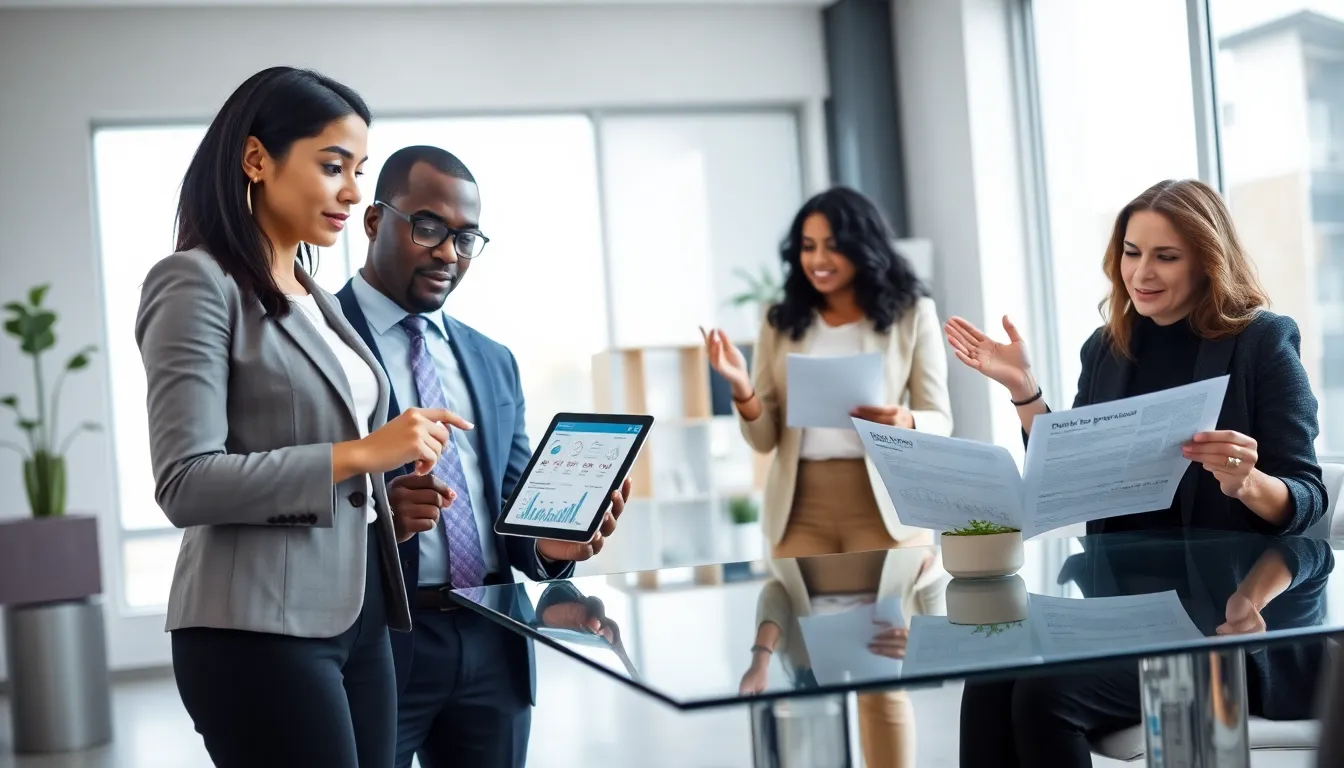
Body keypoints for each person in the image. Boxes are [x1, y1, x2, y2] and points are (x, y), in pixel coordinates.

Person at [135, 68, 466, 768]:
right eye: (332, 166)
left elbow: (324, 450)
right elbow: (186, 482)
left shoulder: (319, 298)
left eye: (360, 170)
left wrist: (385, 499)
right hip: (255, 628)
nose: (353, 190)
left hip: (362, 615)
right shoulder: (195, 281)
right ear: (257, 160)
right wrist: (362, 456)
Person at [946, 178, 1328, 766]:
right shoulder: (1107, 348)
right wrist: (1026, 392)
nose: (1141, 272)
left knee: (1047, 696)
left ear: (1207, 261)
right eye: (1131, 252)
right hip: (1122, 610)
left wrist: (1245, 482)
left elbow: (1307, 497)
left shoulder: (1262, 342)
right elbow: (1069, 479)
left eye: (1165, 256)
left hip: (1227, 631)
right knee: (993, 675)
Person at [335, 145, 629, 768]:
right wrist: (379, 515)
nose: (448, 253)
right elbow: (290, 484)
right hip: (375, 644)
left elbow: (512, 512)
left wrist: (553, 546)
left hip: (495, 641)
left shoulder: (493, 360)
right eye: (429, 227)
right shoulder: (318, 339)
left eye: (466, 238)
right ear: (372, 221)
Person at [703, 186, 954, 561]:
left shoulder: (912, 314)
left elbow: (941, 418)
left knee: (894, 620)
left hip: (887, 505)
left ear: (862, 248)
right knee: (798, 617)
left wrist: (908, 420)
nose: (818, 259)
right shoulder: (779, 321)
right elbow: (764, 439)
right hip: (800, 510)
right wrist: (741, 386)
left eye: (832, 246)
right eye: (808, 246)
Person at [739, 547, 948, 767]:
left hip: (884, 660)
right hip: (812, 663)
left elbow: (932, 570)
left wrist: (925, 638)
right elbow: (778, 590)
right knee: (815, 733)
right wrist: (760, 659)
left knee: (886, 706)